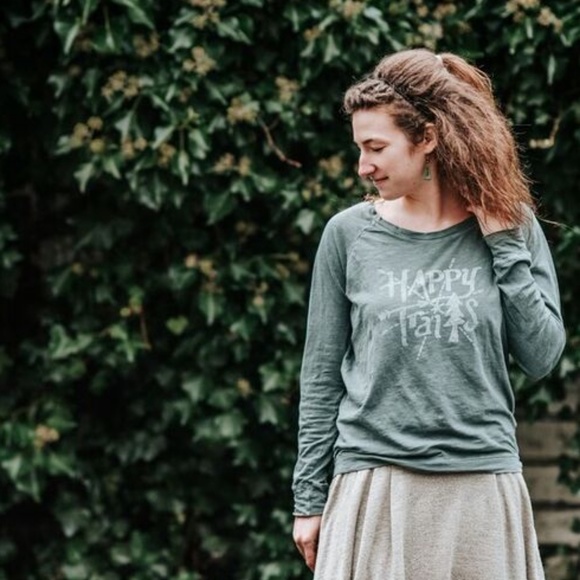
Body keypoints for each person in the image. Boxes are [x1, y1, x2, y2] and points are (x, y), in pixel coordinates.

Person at [291, 48, 566, 580]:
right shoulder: (347, 235)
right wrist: (309, 499)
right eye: (359, 148)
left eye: (376, 148)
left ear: (428, 139)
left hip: (481, 485)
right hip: (374, 486)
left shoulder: (511, 225)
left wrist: (503, 243)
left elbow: (542, 355)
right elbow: (321, 376)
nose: (363, 166)